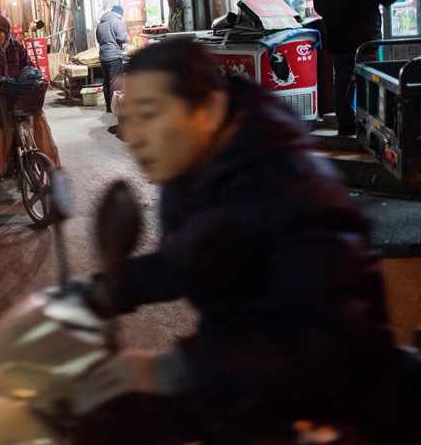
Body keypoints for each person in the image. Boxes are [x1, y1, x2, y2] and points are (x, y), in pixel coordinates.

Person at [74, 37, 393, 444]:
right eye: (129, 117)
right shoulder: (197, 173)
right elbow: (191, 256)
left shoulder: (292, 186)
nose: (132, 136)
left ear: (207, 110)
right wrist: (98, 292)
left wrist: (178, 368)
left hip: (323, 415)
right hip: (240, 388)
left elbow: (320, 347)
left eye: (149, 115)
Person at [313, 0, 398, 136]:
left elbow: (319, 7)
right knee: (369, 79)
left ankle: (346, 124)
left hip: (338, 38)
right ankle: (370, 125)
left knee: (342, 80)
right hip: (365, 38)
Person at [96, 4, 127, 114]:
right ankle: (116, 108)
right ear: (119, 14)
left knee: (106, 82)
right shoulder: (116, 21)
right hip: (114, 56)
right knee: (115, 83)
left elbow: (99, 40)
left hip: (103, 56)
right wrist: (127, 35)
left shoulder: (101, 24)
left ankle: (108, 107)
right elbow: (122, 38)